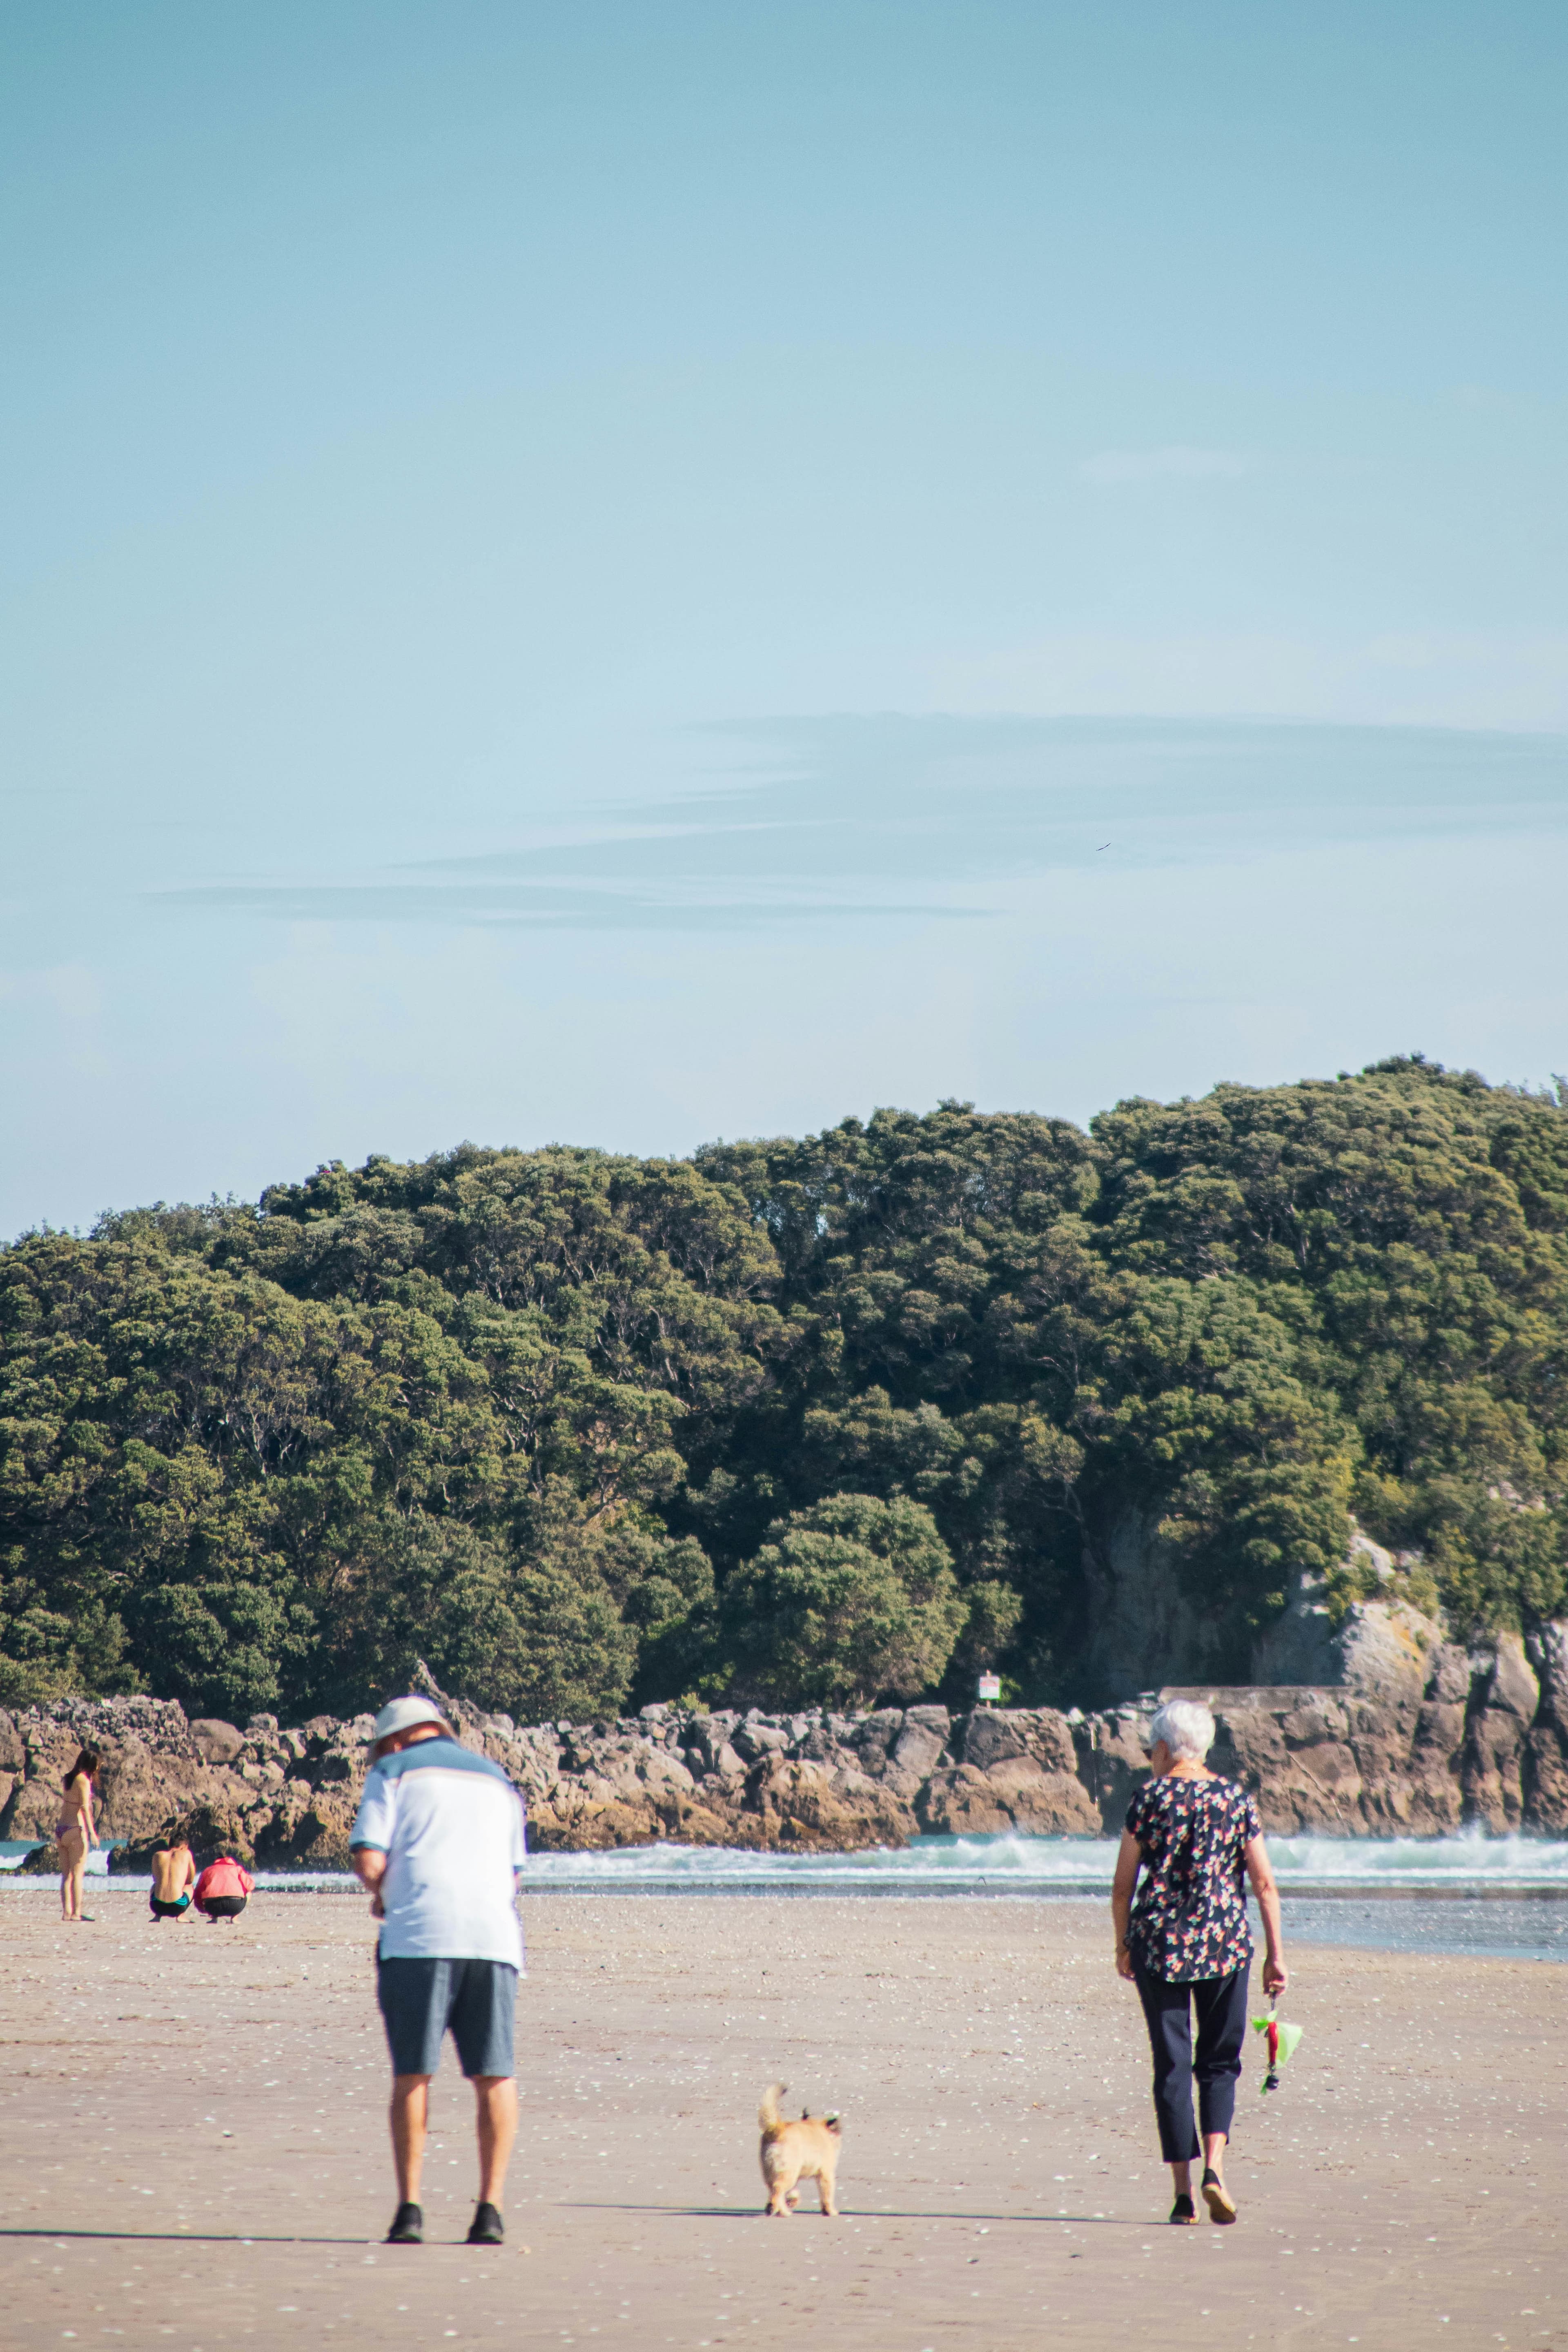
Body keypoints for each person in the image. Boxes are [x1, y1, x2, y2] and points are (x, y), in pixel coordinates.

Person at [350, 1694, 527, 2250]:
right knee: (495, 2075)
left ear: (396, 1741)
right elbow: (514, 1875)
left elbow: (369, 1857)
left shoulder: (392, 1770)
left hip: (419, 1937)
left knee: (414, 2074)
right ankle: (491, 2211)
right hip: (494, 1939)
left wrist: (384, 1895)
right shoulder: (499, 1780)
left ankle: (410, 2210)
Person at [1111, 1697, 1287, 2227]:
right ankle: (1216, 2168)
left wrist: (1122, 1944)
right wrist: (1276, 1955)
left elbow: (1123, 1886)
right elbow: (1264, 1882)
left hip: (1159, 1944)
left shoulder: (1148, 1799)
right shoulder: (1235, 1799)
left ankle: (1183, 2196)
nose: (1149, 1758)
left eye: (1150, 1750)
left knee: (1171, 2064)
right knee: (1218, 2063)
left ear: (1164, 1748)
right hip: (1225, 1945)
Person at [57, 1748, 100, 1924]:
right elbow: (84, 1807)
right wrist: (92, 1833)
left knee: (66, 1876)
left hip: (61, 1829)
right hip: (76, 1829)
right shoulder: (83, 1780)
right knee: (77, 1875)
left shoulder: (69, 1778)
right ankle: (77, 1913)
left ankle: (67, 1912)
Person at [193, 1852, 254, 1923]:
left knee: (208, 1894)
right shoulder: (237, 1869)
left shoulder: (208, 1870)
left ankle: (214, 1918)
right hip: (235, 1906)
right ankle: (235, 1918)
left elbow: (199, 1891)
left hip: (212, 1907)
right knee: (249, 1893)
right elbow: (250, 1886)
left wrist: (201, 1908)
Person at [149, 1838, 197, 1922]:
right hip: (178, 1906)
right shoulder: (187, 1854)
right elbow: (191, 1879)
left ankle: (157, 1916)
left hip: (156, 1906)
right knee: (190, 1887)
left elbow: (155, 1878)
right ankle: (181, 1916)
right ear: (183, 1847)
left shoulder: (157, 1855)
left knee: (155, 1886)